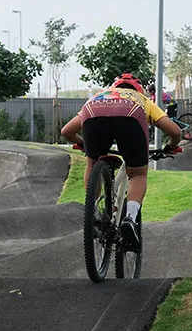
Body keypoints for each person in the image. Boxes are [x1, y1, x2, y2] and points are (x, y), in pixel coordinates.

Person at [61, 73, 182, 250]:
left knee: (93, 162)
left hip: (93, 117)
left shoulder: (99, 96)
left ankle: (92, 212)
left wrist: (83, 144)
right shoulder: (141, 99)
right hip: (131, 119)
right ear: (138, 89)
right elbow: (176, 132)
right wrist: (171, 147)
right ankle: (130, 219)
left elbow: (66, 131)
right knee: (138, 174)